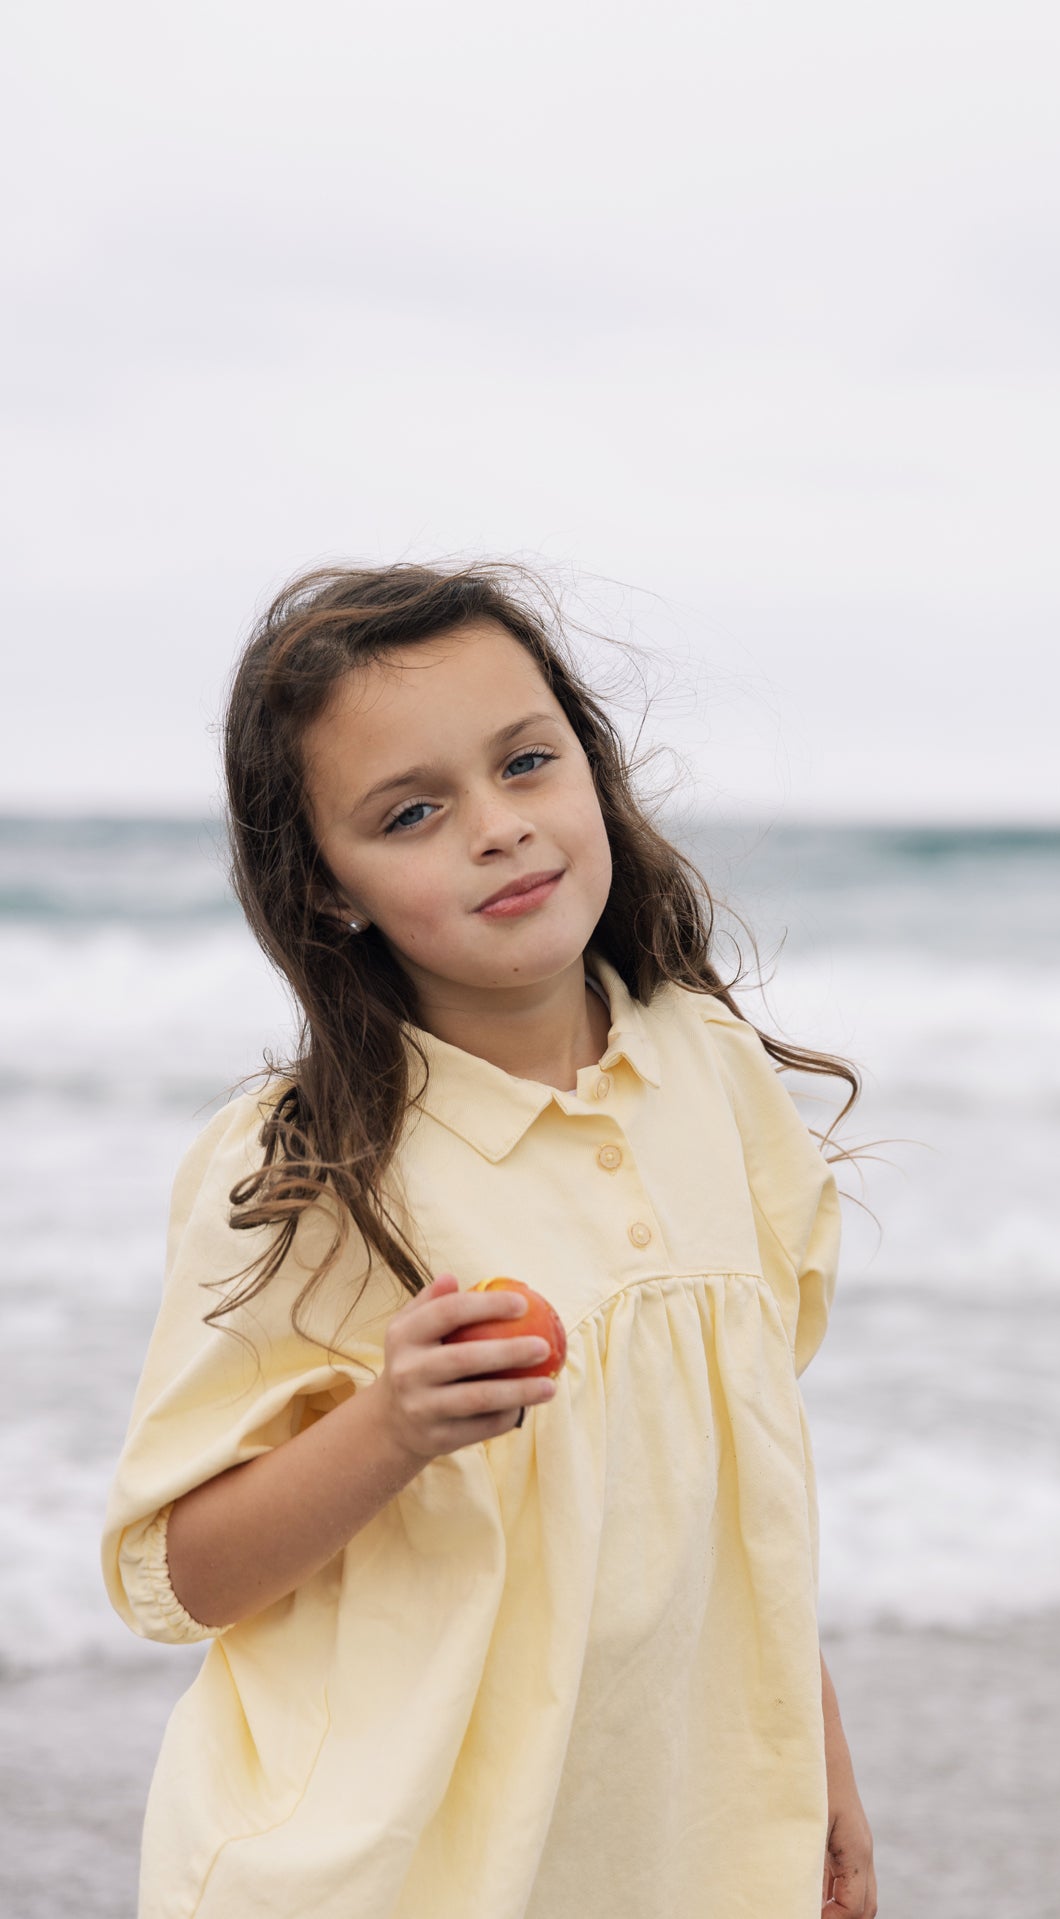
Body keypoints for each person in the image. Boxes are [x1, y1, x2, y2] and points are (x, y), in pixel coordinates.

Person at [101, 562, 878, 1918]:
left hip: (671, 1860)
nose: (500, 829)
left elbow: (738, 1499)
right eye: (411, 812)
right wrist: (390, 1426)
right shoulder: (307, 1166)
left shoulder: (713, 1080)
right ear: (327, 886)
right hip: (386, 1872)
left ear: (594, 768)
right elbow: (180, 1574)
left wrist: (815, 1776)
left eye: (527, 763)